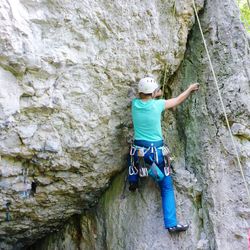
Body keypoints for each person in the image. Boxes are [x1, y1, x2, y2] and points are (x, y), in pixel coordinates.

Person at [128, 76, 199, 233]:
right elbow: (178, 99)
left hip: (139, 150)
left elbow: (146, 97)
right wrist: (189, 88)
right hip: (155, 154)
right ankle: (171, 224)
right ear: (153, 93)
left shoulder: (134, 104)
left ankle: (133, 180)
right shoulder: (158, 105)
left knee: (132, 153)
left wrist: (154, 93)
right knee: (166, 186)